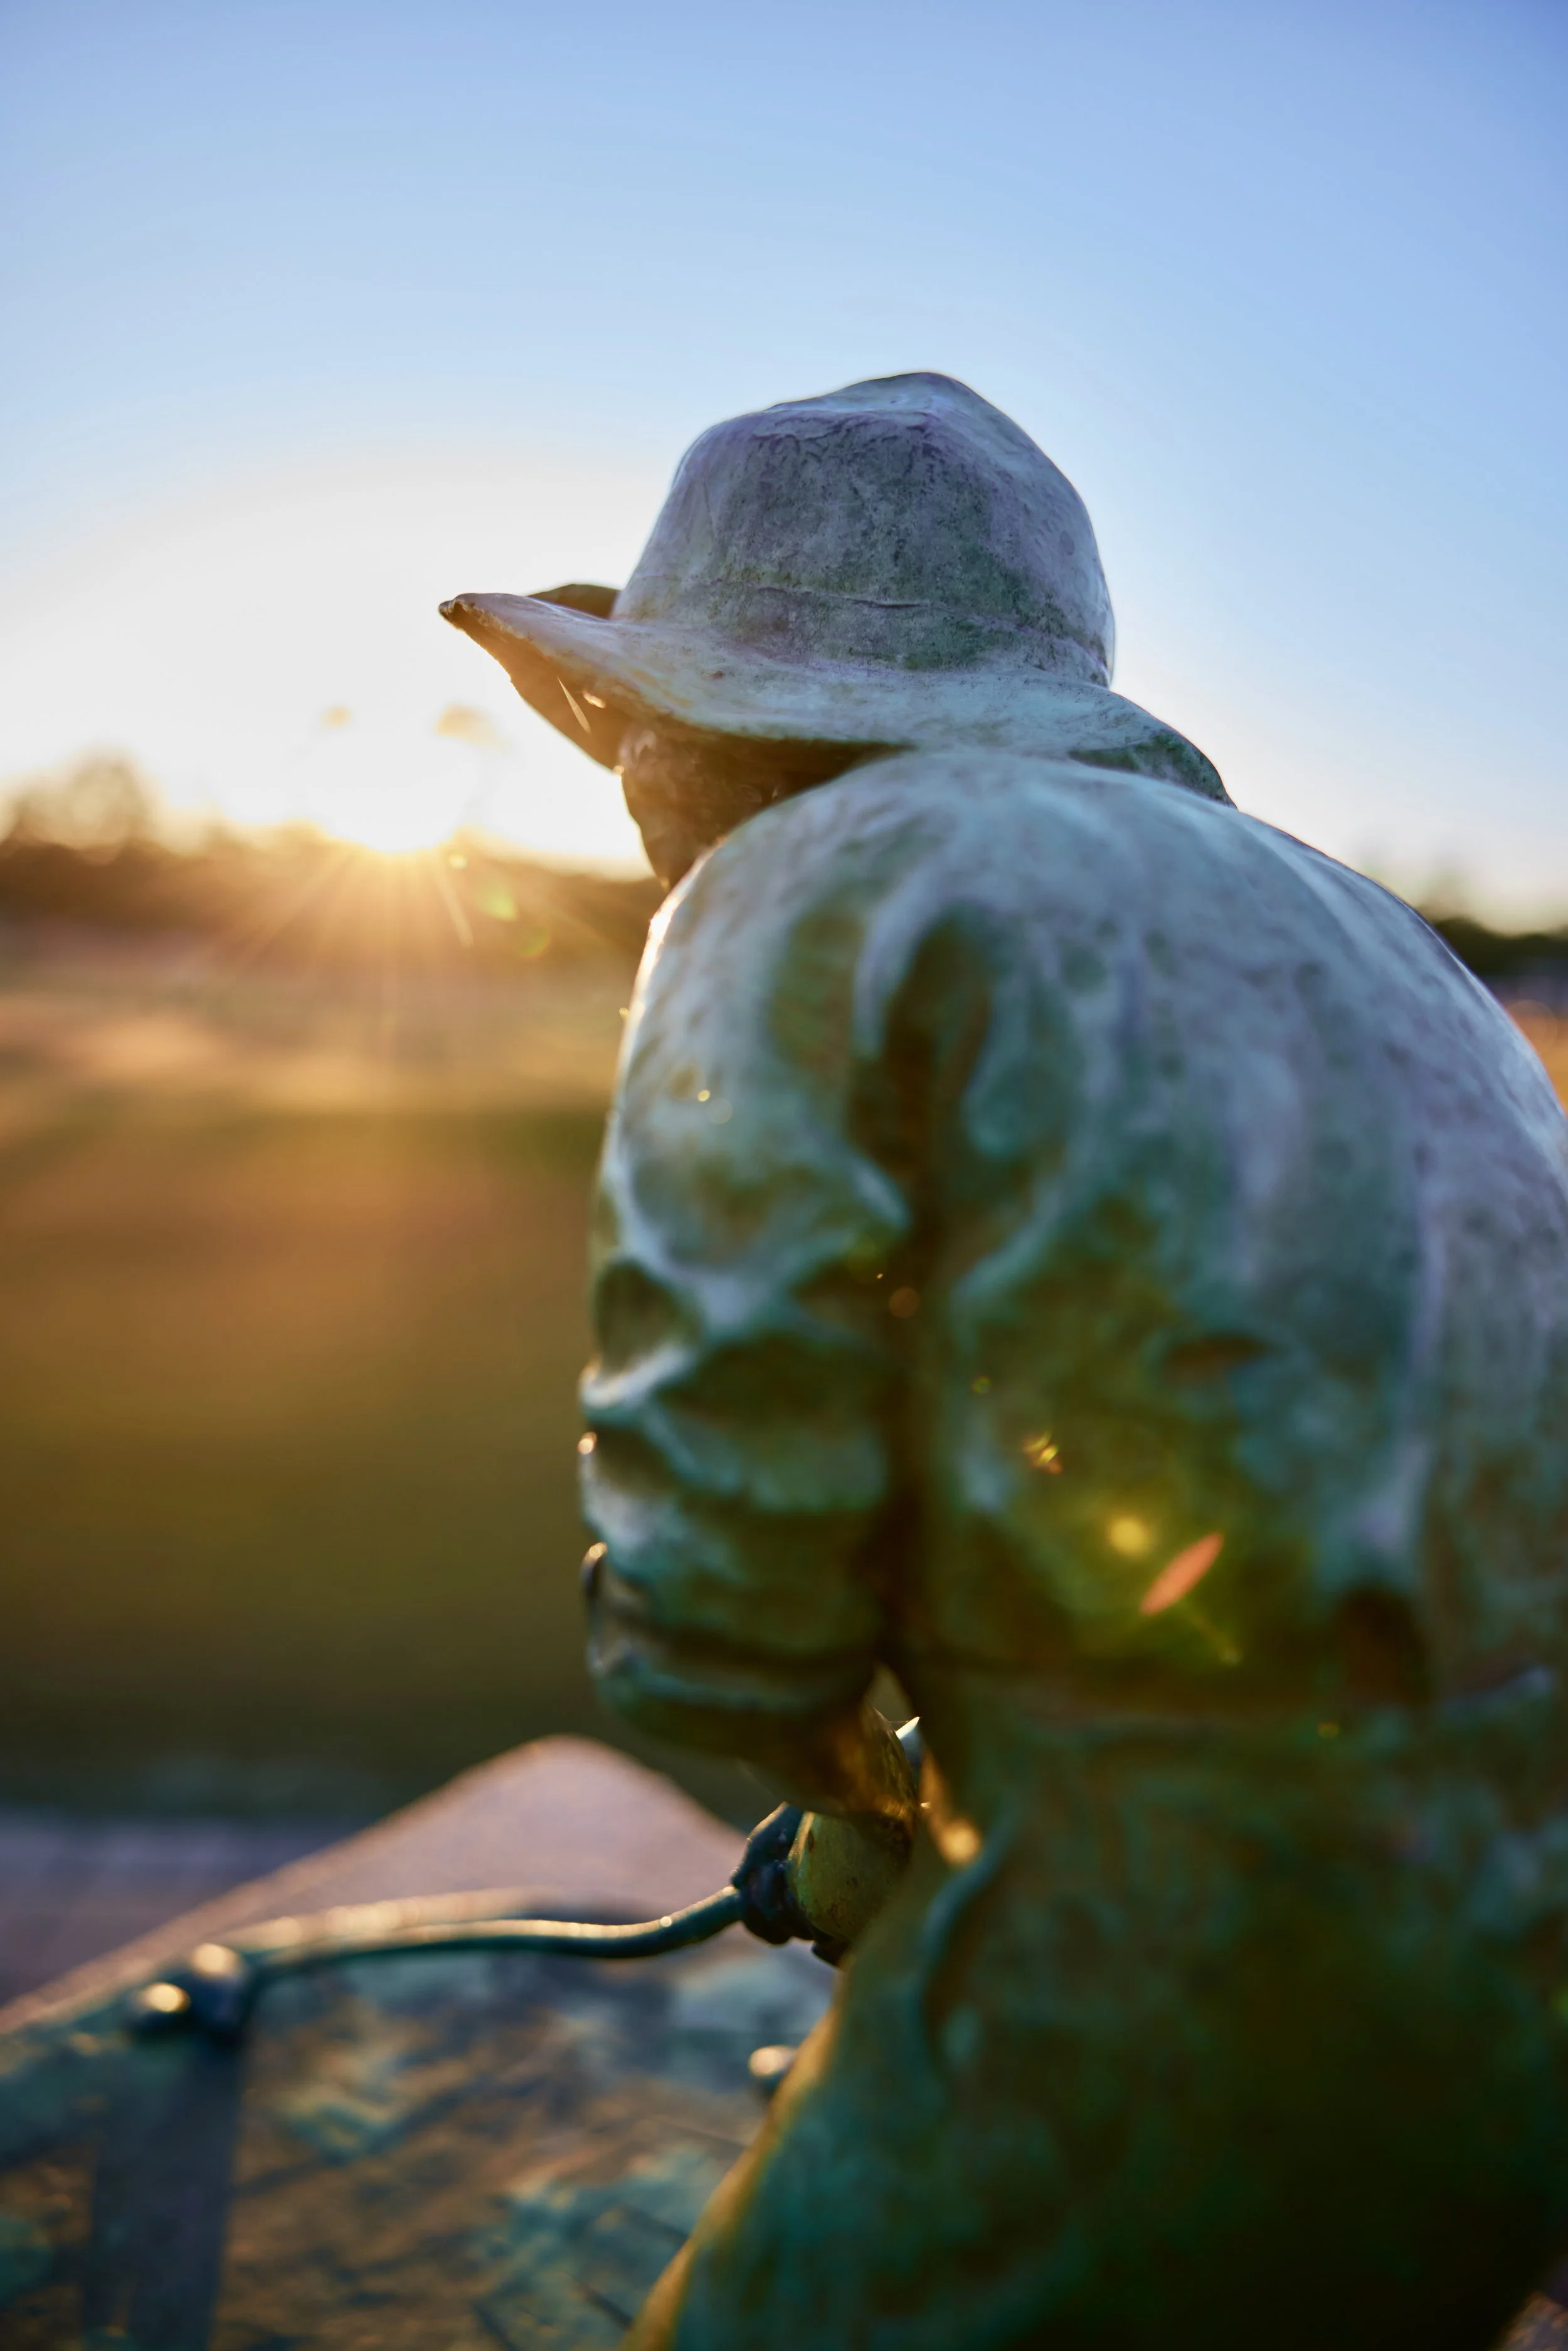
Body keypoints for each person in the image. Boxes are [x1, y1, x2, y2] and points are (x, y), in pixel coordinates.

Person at [444, 373, 1568, 2349]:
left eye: (631, 729)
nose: (623, 787)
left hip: (1163, 1971)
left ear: (713, 725)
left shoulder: (804, 881)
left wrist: (821, 1756)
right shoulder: (1409, 957)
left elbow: (726, 1550)